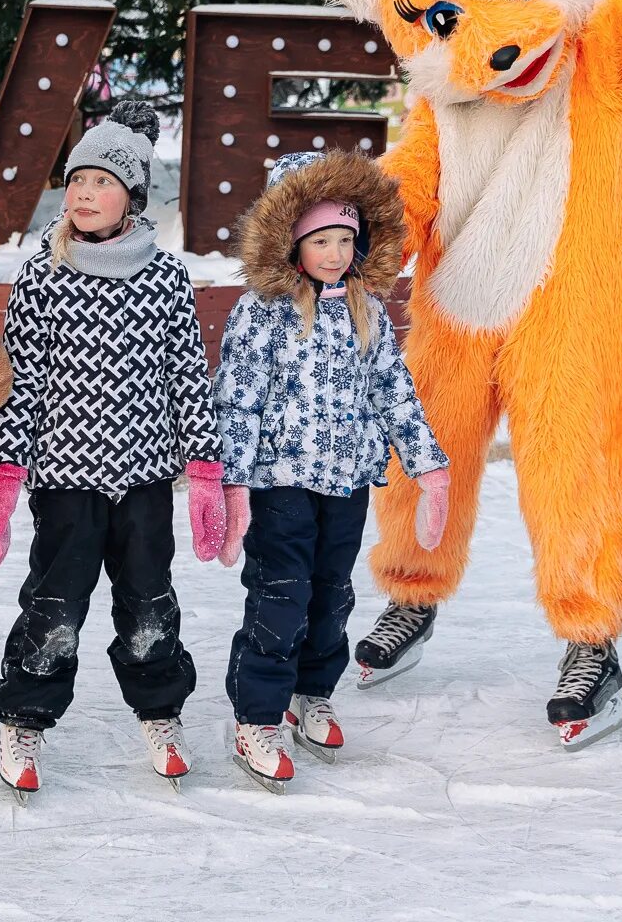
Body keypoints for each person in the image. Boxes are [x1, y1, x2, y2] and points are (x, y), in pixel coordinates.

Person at [0, 99, 229, 799]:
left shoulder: (165, 277)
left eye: (102, 183)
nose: (84, 195)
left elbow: (186, 373)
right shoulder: (43, 274)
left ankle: (161, 710)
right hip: (64, 480)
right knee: (55, 606)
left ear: (132, 197)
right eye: (78, 181)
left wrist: (205, 468)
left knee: (150, 604)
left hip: (145, 479)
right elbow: (22, 379)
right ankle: (26, 715)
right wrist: (7, 473)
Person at [214, 150, 449, 790]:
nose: (337, 253)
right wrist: (231, 486)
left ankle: (311, 691)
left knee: (331, 597)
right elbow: (237, 400)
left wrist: (429, 467)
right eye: (322, 240)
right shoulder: (261, 312)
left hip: (346, 482)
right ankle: (257, 715)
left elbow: (393, 390)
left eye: (346, 239)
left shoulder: (364, 308)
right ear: (290, 241)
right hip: (280, 483)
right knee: (280, 598)